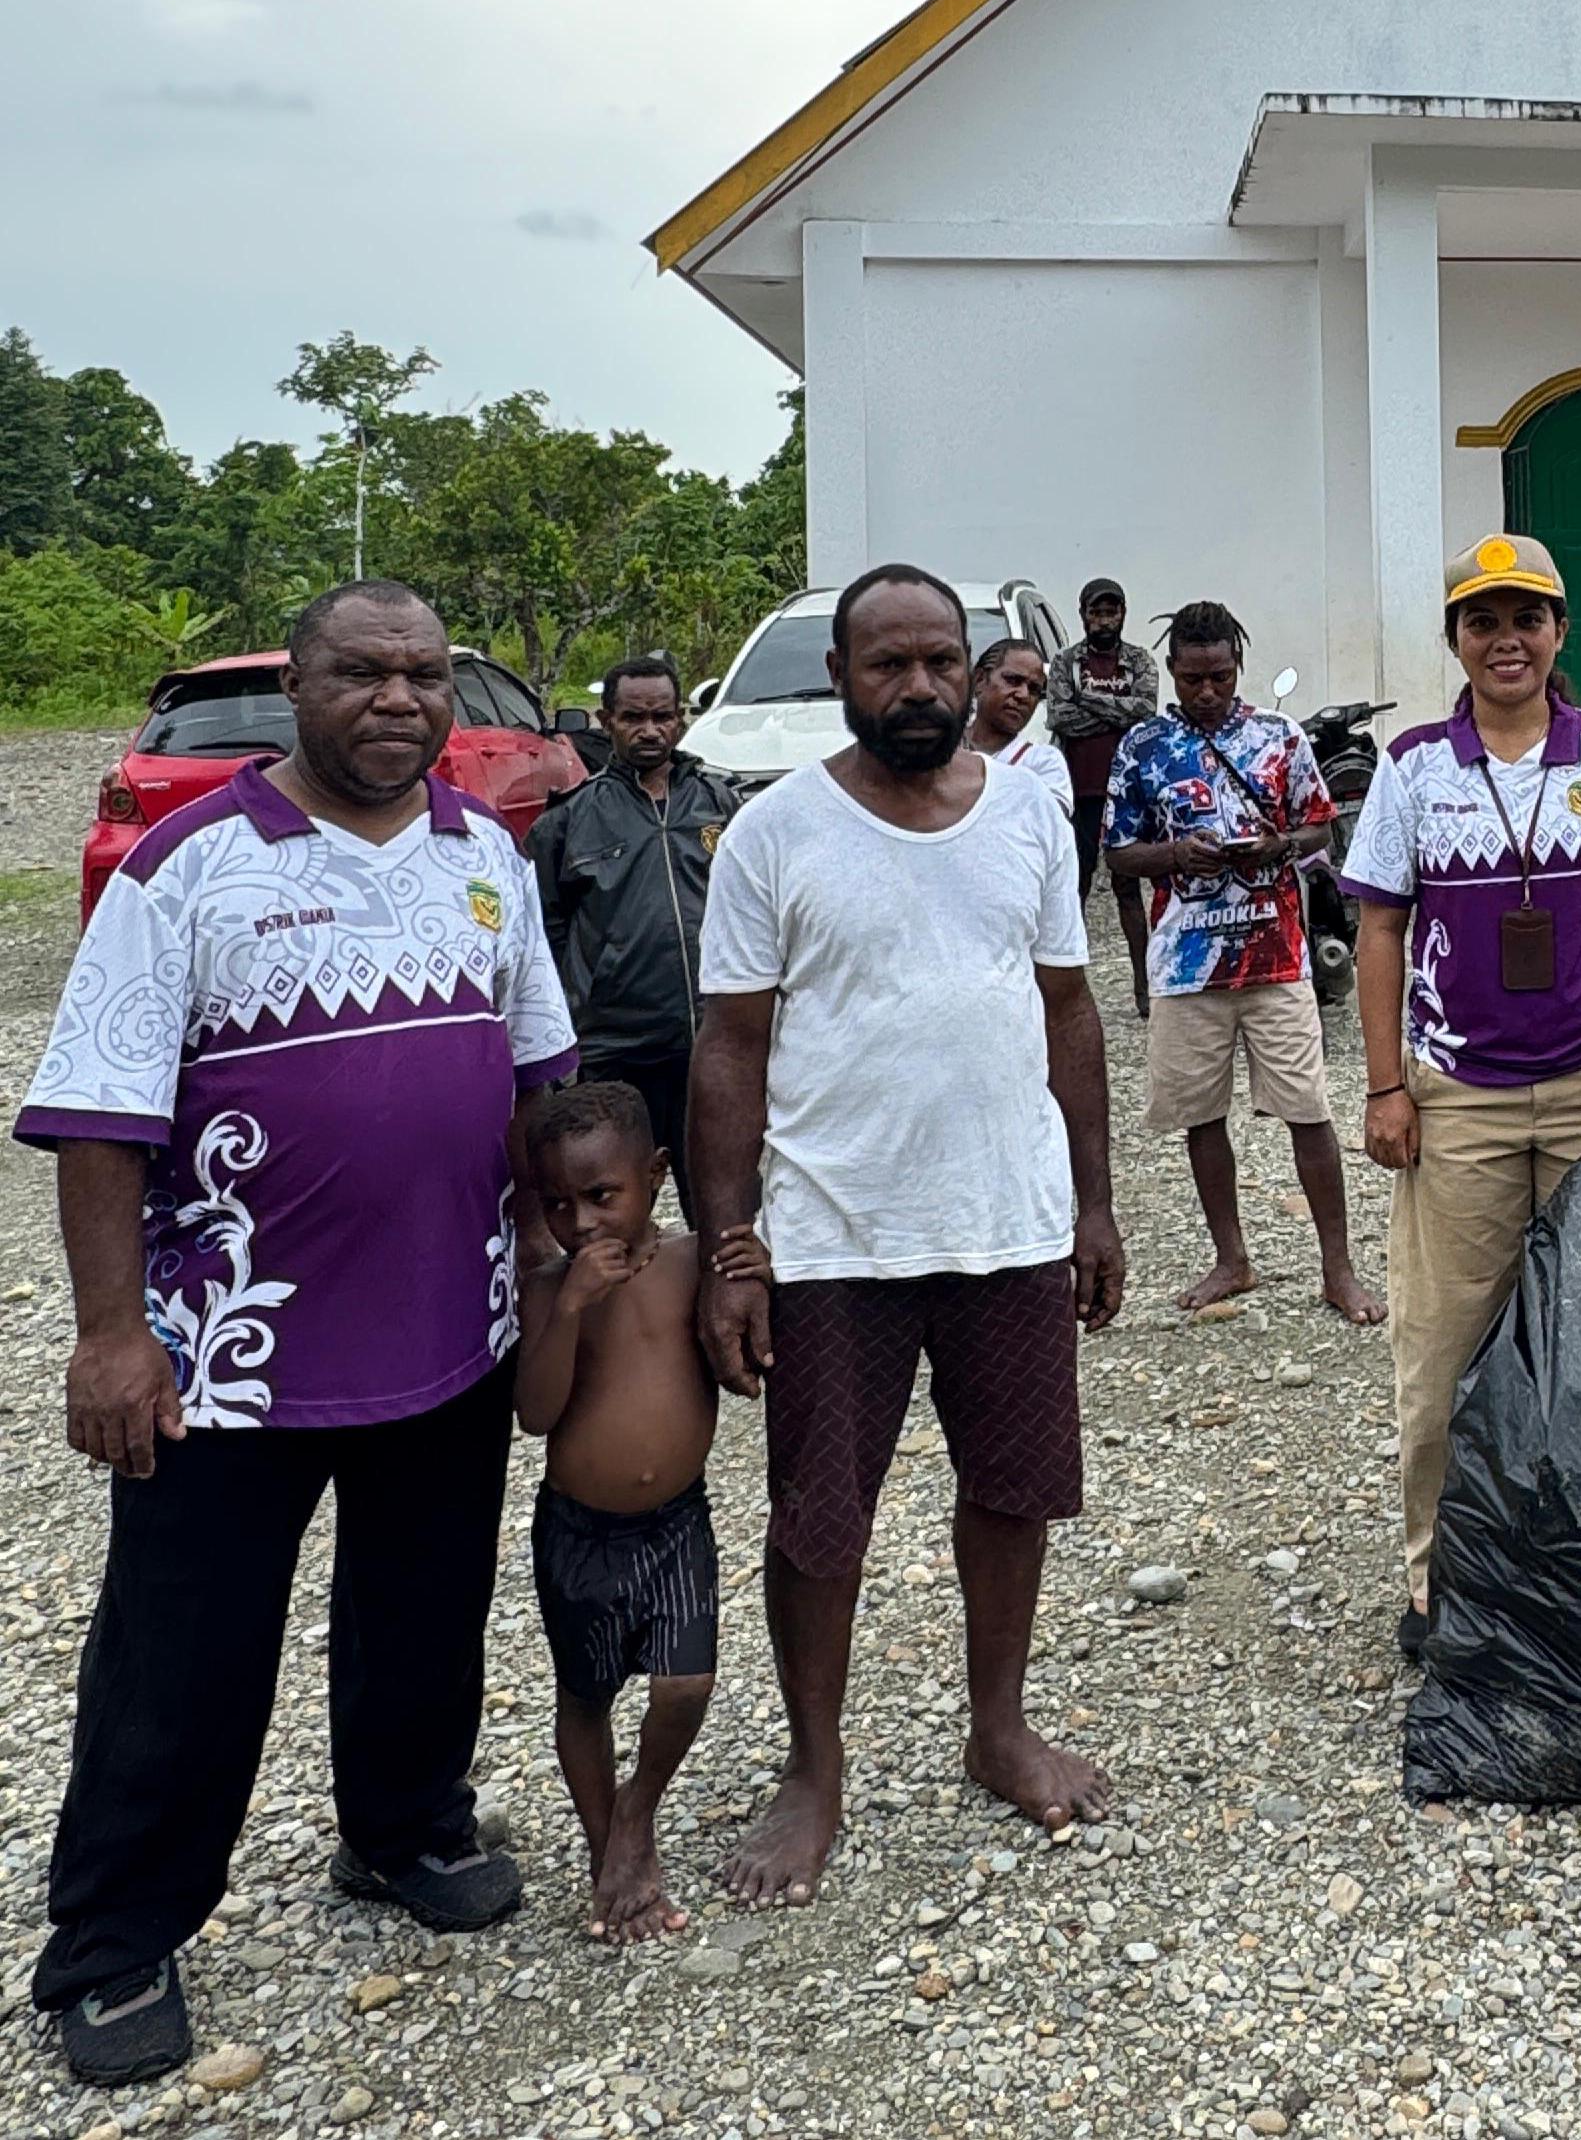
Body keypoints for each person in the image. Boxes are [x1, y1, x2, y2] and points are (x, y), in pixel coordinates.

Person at [15, 580, 576, 2086]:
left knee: (423, 1615)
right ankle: (115, 1943)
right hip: (228, 1353)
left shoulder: (488, 858)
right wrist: (108, 1339)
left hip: (453, 1327)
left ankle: (399, 1832)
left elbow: (538, 1077)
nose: (396, 699)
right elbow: (99, 1121)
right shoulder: (187, 865)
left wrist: (552, 1253)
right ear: (300, 691)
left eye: (423, 675)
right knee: (181, 1658)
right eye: (361, 673)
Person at [692, 563, 1127, 1907]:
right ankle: (813, 1771)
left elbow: (1068, 1011)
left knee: (1012, 1489)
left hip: (1007, 1220)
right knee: (822, 1517)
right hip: (834, 1237)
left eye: (943, 660)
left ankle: (998, 1728)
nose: (922, 686)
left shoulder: (1030, 815)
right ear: (843, 678)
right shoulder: (774, 834)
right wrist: (730, 1246)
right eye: (891, 665)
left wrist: (1095, 1201)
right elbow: (728, 1050)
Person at [1342, 534, 1581, 1659]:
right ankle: (1443, 1583)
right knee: (1443, 1355)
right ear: (1457, 641)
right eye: (1483, 621)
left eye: (1527, 617)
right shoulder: (1414, 765)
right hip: (1462, 1100)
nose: (1507, 640)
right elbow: (1379, 924)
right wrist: (1387, 1084)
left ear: (1559, 631)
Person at [515, 1083, 772, 1942]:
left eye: (600, 1196)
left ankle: (638, 1812)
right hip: (578, 1530)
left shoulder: (694, 1261)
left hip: (676, 1522)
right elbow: (537, 1414)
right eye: (557, 1203)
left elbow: (754, 1350)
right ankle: (606, 1852)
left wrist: (763, 1279)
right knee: (584, 1699)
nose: (581, 1222)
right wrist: (571, 1311)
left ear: (656, 1177)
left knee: (686, 1681)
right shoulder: (551, 1286)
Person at [1101, 599, 1380, 1323]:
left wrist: (1277, 846)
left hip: (1277, 957)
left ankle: (1338, 1269)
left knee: (1309, 1111)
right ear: (1171, 671)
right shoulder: (1141, 747)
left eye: (1219, 677)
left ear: (1238, 667)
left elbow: (1320, 826)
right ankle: (1232, 1259)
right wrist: (1173, 855)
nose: (1206, 692)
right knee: (1201, 1117)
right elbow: (1118, 854)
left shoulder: (1278, 737)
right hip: (1186, 966)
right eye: (1192, 679)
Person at [526, 652, 741, 1222]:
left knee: (720, 1199)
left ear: (682, 720)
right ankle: (626, 1311)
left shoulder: (723, 806)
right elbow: (542, 937)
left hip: (711, 1038)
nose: (650, 730)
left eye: (663, 716)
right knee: (615, 1205)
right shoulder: (567, 824)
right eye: (633, 717)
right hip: (615, 1046)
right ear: (606, 721)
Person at [1047, 577, 1163, 1014]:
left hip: (1130, 791)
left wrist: (1088, 704)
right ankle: (1068, 988)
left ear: (1123, 614)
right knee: (1073, 887)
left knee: (1128, 887)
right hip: (1080, 790)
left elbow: (1144, 712)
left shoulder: (1138, 661)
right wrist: (1115, 715)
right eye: (1097, 612)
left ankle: (1144, 988)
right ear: (1083, 616)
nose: (1104, 620)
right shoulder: (1065, 662)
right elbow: (1060, 716)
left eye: (1111, 612)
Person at [966, 636, 1069, 807]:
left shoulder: (1043, 762)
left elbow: (1047, 823)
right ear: (979, 680)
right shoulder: (943, 748)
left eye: (1034, 689)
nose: (1023, 695)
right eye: (1013, 680)